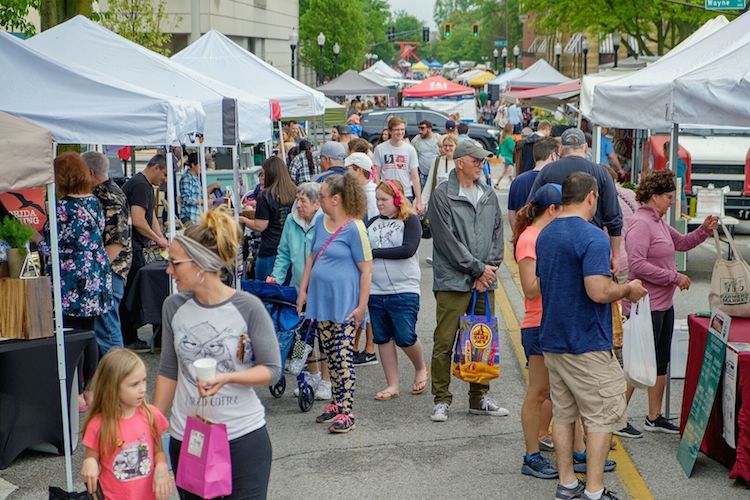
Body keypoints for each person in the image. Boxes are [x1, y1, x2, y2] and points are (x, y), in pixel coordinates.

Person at [154, 208, 281, 499]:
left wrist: (228, 377)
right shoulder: (173, 307)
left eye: (174, 263)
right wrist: (151, 425)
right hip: (188, 437)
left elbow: (272, 369)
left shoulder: (248, 306)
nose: (168, 270)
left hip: (242, 436)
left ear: (200, 264)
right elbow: (168, 371)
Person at [535, 172, 647, 500]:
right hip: (586, 341)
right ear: (591, 197)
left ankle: (567, 482)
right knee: (600, 415)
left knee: (564, 413)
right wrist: (627, 288)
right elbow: (598, 291)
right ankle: (594, 490)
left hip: (554, 338)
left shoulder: (545, 234)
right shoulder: (592, 237)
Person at [617, 170, 718, 438]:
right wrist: (674, 277)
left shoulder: (658, 222)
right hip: (644, 306)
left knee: (660, 361)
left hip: (662, 304)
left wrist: (703, 231)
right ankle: (616, 417)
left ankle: (654, 416)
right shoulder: (641, 224)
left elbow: (682, 243)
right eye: (669, 197)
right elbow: (637, 265)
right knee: (638, 363)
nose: (672, 201)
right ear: (654, 196)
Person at [427, 141, 506, 423]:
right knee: (445, 341)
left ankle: (479, 396)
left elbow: (498, 232)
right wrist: (477, 270)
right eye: (476, 160)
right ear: (460, 162)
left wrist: (489, 269)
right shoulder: (442, 195)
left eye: (482, 161)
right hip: (453, 280)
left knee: (482, 340)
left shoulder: (488, 193)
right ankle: (441, 399)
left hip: (485, 279)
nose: (481, 165)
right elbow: (446, 241)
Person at [35, 152, 113, 412]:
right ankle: (90, 391)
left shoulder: (61, 209)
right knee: (89, 332)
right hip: (95, 271)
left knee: (70, 333)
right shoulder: (94, 202)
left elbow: (49, 247)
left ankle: (76, 392)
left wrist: (36, 238)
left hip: (72, 276)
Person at [297, 173, 373, 434]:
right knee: (330, 353)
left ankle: (347, 410)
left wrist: (361, 306)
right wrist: (303, 290)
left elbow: (366, 270)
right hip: (321, 301)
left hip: (345, 304)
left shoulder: (355, 227)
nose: (319, 200)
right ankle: (337, 403)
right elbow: (311, 257)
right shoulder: (320, 221)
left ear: (337, 199)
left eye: (322, 196)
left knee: (343, 357)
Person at [511, 184, 562, 480]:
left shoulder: (544, 236)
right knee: (538, 391)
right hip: (538, 322)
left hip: (552, 321)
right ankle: (531, 456)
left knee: (557, 391)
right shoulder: (530, 239)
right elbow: (531, 288)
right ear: (552, 210)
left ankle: (575, 450)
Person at [528, 128, 623, 274]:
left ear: (560, 149)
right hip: (593, 246)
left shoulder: (547, 171)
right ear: (585, 148)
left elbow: (531, 208)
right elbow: (614, 218)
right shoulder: (602, 173)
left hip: (555, 245)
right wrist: (616, 255)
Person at [81, 349, 171, 500]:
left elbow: (158, 452)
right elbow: (92, 457)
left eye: (144, 380)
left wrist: (162, 467)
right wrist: (89, 463)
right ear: (113, 387)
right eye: (134, 384)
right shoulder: (98, 424)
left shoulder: (151, 415)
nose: (142, 389)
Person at [367, 180, 428, 400]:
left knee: (405, 336)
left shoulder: (409, 220)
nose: (379, 204)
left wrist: (375, 252)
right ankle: (392, 384)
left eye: (383, 200)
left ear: (396, 199)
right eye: (377, 200)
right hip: (376, 290)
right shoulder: (372, 222)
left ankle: (420, 367)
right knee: (382, 338)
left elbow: (408, 249)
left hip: (404, 288)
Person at [84, 151, 132, 357]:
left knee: (108, 333)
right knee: (104, 330)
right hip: (107, 271)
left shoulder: (109, 196)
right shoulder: (105, 193)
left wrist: (98, 270)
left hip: (109, 271)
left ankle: (118, 380)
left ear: (90, 172)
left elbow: (116, 242)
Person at [121, 154, 169, 351]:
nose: (165, 180)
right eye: (164, 174)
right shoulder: (140, 185)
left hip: (137, 246)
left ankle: (131, 334)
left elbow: (151, 218)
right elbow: (138, 219)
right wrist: (157, 239)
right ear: (156, 167)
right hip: (130, 247)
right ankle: (128, 336)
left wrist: (161, 239)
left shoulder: (146, 185)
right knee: (130, 293)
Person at [240, 157, 296, 281]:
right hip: (291, 249)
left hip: (270, 250)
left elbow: (260, 226)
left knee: (266, 291)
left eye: (264, 174)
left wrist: (244, 220)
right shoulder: (293, 192)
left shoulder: (265, 196)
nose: (263, 177)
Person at [270, 182, 323, 289]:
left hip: (321, 289)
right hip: (297, 288)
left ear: (316, 204)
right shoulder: (291, 220)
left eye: (303, 201)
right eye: (297, 199)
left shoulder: (326, 222)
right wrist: (275, 282)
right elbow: (283, 254)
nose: (298, 205)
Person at [372, 117, 424, 214]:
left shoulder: (410, 149)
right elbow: (376, 174)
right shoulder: (380, 149)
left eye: (402, 129)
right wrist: (378, 191)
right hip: (387, 193)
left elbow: (415, 177)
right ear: (390, 131)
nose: (400, 132)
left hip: (405, 193)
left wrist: (419, 201)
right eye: (397, 130)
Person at [507, 137, 560, 226]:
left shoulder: (517, 181)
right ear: (553, 156)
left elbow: (511, 215)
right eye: (558, 155)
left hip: (523, 235)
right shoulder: (554, 181)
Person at [179, 152, 221, 225]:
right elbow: (186, 199)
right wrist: (204, 201)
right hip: (189, 217)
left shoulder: (196, 177)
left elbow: (199, 193)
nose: (202, 167)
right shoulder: (186, 179)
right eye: (200, 165)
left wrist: (212, 187)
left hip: (197, 215)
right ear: (193, 165)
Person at [423, 136, 457, 208]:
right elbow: (429, 183)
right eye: (445, 145)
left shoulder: (460, 162)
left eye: (451, 146)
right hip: (438, 203)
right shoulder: (436, 161)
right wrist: (423, 202)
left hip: (454, 204)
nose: (447, 148)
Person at [345, 152, 379, 222]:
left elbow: (371, 223)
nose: (346, 172)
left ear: (359, 170)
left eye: (348, 168)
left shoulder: (372, 195)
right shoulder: (357, 191)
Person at [411, 120, 441, 189]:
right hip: (424, 176)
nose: (420, 131)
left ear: (429, 129)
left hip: (436, 175)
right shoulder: (416, 140)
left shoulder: (438, 138)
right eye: (419, 128)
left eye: (422, 128)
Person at [662, 140, 688, 214]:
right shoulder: (681, 163)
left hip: (677, 200)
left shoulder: (672, 164)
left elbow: (680, 181)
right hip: (680, 198)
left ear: (667, 151)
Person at [493, 123, 516, 189]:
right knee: (510, 172)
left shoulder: (503, 137)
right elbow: (511, 148)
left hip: (503, 157)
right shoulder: (509, 138)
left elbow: (499, 147)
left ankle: (497, 183)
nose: (513, 130)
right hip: (508, 157)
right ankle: (513, 185)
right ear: (510, 129)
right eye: (512, 128)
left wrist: (497, 155)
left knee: (504, 171)